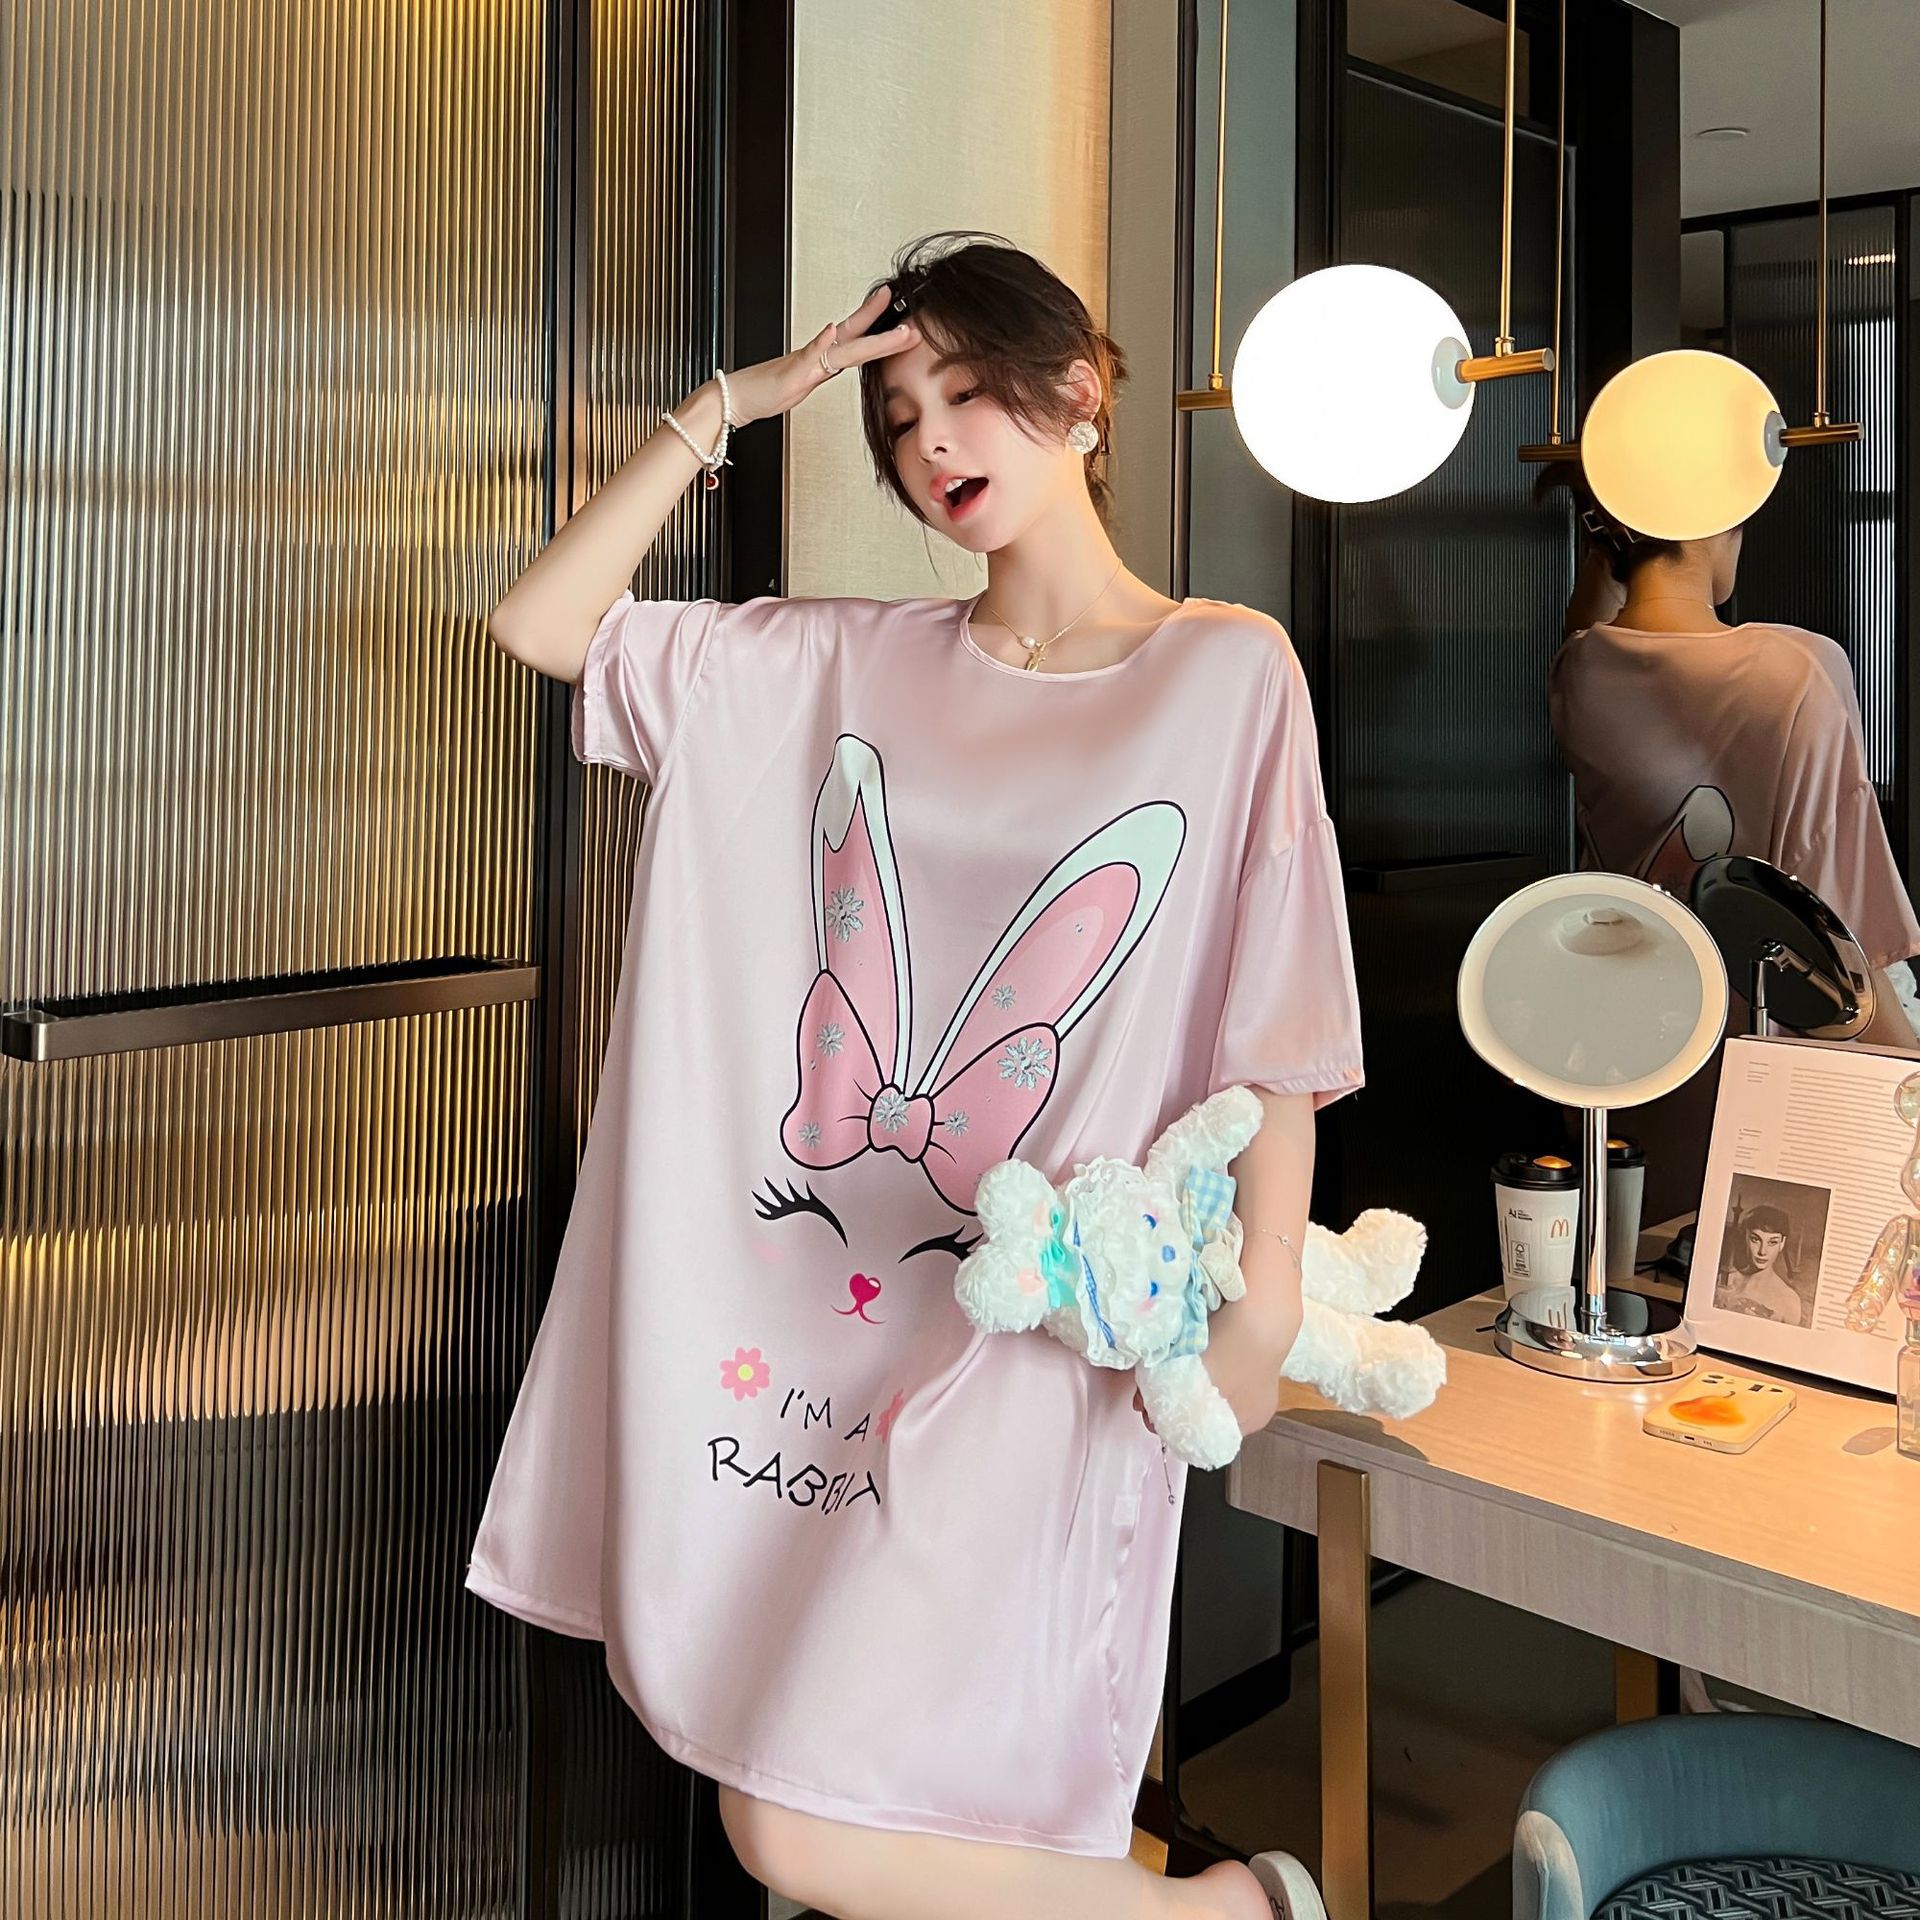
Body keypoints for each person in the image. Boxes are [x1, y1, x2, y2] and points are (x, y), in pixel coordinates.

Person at [464, 230, 1364, 1920]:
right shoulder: (836, 660)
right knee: (826, 1788)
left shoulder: (1226, 668)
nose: (931, 441)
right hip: (825, 1325)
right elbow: (543, 622)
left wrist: (1260, 1300)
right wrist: (739, 401)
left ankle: (1221, 1912)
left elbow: (1282, 1022)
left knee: (807, 1820)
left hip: (1046, 1330)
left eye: (965, 394)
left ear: (1080, 391)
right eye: (894, 419)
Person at [1541, 464, 1920, 1224]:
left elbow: (1591, 623)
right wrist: (1905, 1067)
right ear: (1714, 523)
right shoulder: (1800, 670)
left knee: (1650, 1249)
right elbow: (1837, 921)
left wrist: (1606, 546)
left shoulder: (1578, 671)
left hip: (1633, 1047)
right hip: (1775, 1048)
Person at [1714, 1204, 1807, 1326]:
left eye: (1772, 1242)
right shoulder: (1723, 1280)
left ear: (1782, 1243)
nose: (1762, 1251)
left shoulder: (1789, 1300)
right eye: (1755, 1239)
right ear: (1745, 1237)